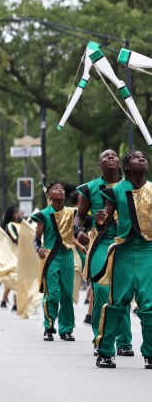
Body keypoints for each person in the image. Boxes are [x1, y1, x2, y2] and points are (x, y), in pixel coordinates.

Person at [95, 150, 152, 369]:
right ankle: (106, 352)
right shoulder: (116, 190)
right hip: (124, 251)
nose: (142, 159)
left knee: (149, 306)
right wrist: (100, 221)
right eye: (136, 157)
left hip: (149, 252)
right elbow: (103, 221)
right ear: (127, 167)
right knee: (117, 303)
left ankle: (150, 353)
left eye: (144, 157)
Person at [75, 149, 133, 357]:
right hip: (101, 243)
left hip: (126, 244)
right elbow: (79, 216)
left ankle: (125, 341)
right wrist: (78, 231)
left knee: (122, 292)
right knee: (100, 289)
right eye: (105, 156)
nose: (110, 157)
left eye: (114, 155)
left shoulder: (132, 186)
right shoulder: (90, 188)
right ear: (100, 165)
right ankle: (100, 338)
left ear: (120, 163)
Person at [32, 181, 76, 342]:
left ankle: (66, 329)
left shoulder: (72, 212)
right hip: (50, 257)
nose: (60, 190)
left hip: (67, 257)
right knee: (52, 295)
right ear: (49, 195)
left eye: (62, 189)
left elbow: (78, 228)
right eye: (56, 189)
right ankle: (48, 327)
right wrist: (38, 248)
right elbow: (36, 238)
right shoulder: (43, 214)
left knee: (67, 294)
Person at [1, 205, 22, 312]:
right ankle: (11, 302)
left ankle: (15, 304)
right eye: (18, 212)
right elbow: (16, 240)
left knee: (18, 281)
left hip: (22, 255)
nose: (21, 213)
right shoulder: (10, 225)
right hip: (13, 256)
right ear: (14, 215)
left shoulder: (22, 224)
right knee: (14, 280)